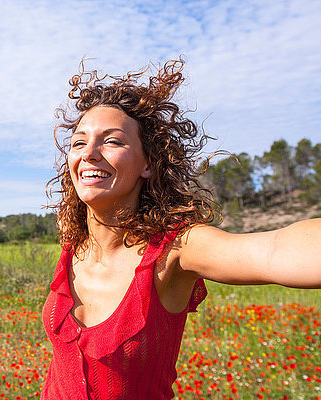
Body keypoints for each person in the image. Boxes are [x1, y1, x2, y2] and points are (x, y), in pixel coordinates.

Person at [41, 59, 321, 399]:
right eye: (79, 143)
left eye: (112, 141)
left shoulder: (174, 250)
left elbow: (275, 251)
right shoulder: (74, 243)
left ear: (147, 163)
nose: (90, 154)